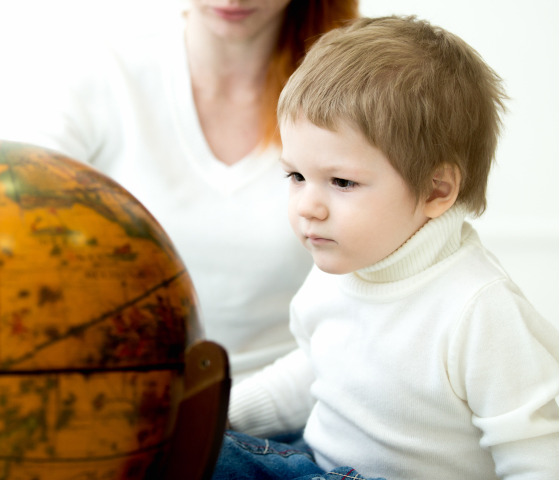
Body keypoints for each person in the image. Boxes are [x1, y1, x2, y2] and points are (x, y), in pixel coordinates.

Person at [216, 15, 559, 480]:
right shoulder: (339, 265)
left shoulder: (478, 309)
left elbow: (537, 455)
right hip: (313, 462)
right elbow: (319, 372)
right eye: (296, 176)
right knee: (198, 449)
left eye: (341, 182)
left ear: (438, 190)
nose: (308, 207)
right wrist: (225, 415)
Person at [2, 0, 359, 382]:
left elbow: (377, 312)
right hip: (123, 396)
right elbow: (7, 221)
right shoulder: (102, 74)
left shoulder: (360, 92)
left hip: (295, 407)